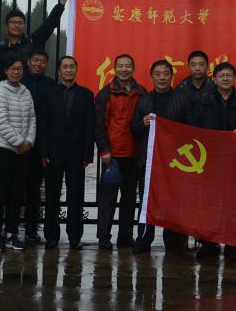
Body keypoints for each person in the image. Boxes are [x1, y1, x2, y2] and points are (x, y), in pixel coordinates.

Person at [190, 61, 236, 259]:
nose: (226, 79)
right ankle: (208, 243)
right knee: (209, 202)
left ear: (234, 78)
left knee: (234, 201)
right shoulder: (204, 101)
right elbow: (195, 128)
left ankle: (232, 244)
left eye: (229, 75)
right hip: (210, 159)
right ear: (214, 79)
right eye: (222, 76)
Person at [131, 60, 191, 254]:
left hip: (174, 160)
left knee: (173, 201)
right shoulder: (144, 100)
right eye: (158, 74)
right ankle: (143, 240)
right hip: (149, 160)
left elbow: (191, 129)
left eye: (165, 73)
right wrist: (142, 124)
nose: (162, 78)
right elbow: (133, 128)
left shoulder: (182, 99)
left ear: (171, 76)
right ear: (151, 77)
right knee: (147, 200)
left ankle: (172, 242)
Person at [40, 56, 95, 250]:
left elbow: (90, 126)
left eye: (72, 67)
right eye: (65, 67)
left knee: (76, 198)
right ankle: (51, 237)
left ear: (76, 70)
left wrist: (88, 155)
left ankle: (75, 237)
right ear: (59, 71)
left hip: (77, 154)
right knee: (52, 197)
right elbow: (43, 124)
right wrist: (43, 153)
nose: (68, 70)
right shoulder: (48, 94)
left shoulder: (86, 95)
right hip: (53, 153)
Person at [95, 54, 147, 250]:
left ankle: (125, 236)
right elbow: (99, 125)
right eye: (120, 66)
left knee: (129, 199)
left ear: (133, 68)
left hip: (134, 153)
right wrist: (104, 149)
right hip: (113, 155)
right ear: (115, 69)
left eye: (128, 66)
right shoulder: (106, 93)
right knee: (107, 199)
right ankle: (103, 237)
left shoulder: (141, 92)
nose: (124, 69)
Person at [0, 53, 36, 252]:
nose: (16, 72)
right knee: (0, 193)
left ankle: (12, 232)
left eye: (19, 69)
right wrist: (19, 142)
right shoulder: (0, 90)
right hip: (3, 149)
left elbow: (32, 118)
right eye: (12, 69)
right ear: (6, 71)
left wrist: (29, 141)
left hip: (23, 151)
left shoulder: (25, 91)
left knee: (16, 194)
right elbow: (1, 121)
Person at [21, 48, 57, 245]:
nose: (38, 64)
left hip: (40, 144)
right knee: (13, 187)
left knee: (34, 190)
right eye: (35, 60)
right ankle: (8, 229)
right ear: (28, 62)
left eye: (42, 61)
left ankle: (31, 229)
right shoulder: (19, 80)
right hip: (17, 142)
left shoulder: (51, 85)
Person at [0, 0, 71, 78]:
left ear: (24, 25)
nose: (17, 25)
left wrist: (61, 4)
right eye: (13, 22)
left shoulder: (32, 42)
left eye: (20, 23)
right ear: (6, 25)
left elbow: (49, 25)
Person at [175, 50, 215, 114]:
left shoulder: (215, 87)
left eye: (201, 64)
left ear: (207, 66)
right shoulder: (181, 89)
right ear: (189, 67)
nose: (197, 68)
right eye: (193, 65)